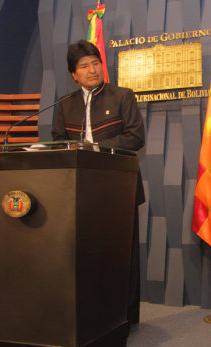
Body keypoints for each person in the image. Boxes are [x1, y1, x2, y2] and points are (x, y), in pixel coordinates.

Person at [52, 40, 145, 326]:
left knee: (121, 257)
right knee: (87, 257)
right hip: (80, 193)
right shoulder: (65, 105)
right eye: (84, 66)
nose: (92, 70)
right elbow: (58, 142)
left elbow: (135, 137)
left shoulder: (122, 96)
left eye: (96, 63)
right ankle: (92, 317)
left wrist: (94, 148)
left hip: (119, 188)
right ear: (74, 74)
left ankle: (125, 319)